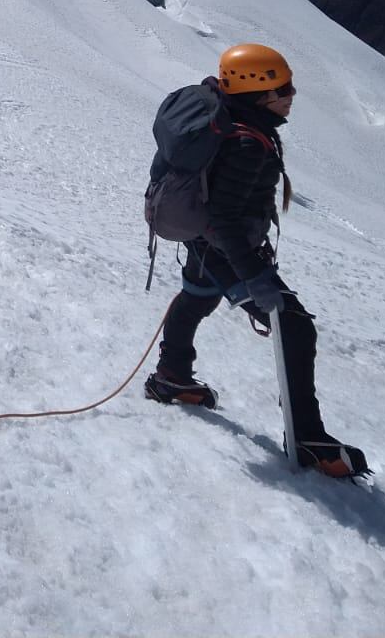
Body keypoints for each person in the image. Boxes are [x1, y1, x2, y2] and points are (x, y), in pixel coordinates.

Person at [143, 43, 369, 478]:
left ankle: (172, 374)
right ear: (256, 89)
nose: (291, 94)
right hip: (224, 247)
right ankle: (308, 438)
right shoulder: (247, 142)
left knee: (197, 295)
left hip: (203, 241)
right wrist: (254, 277)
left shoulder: (232, 121)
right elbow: (224, 220)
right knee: (295, 324)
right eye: (282, 88)